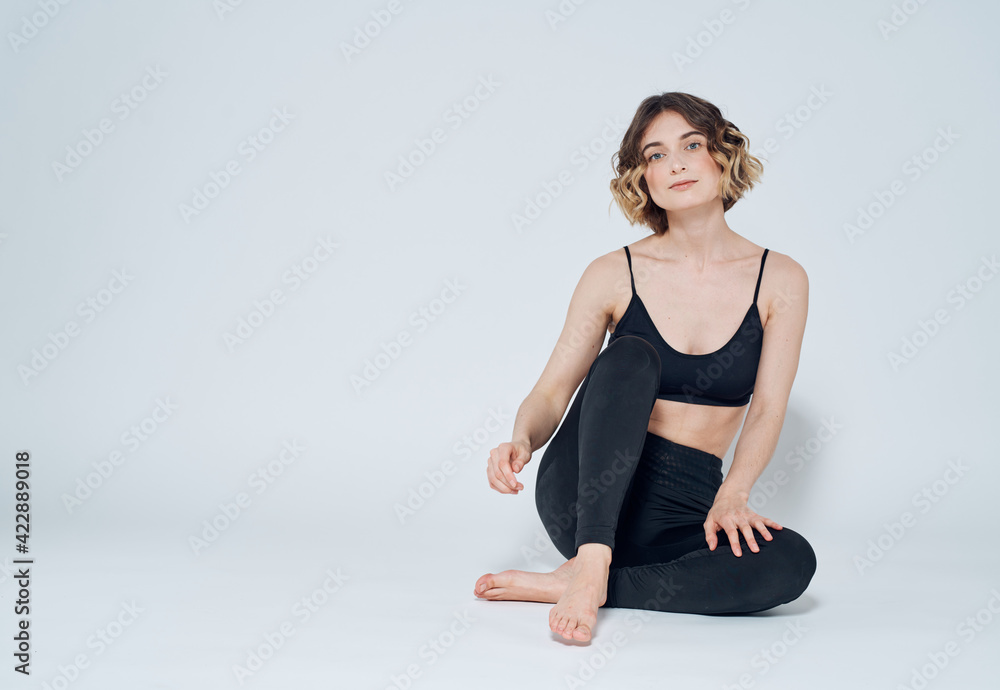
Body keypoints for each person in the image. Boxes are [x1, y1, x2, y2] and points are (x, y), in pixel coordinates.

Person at [473, 92, 817, 643]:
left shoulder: (781, 280)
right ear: (643, 178)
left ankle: (587, 580)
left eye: (692, 145)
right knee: (631, 354)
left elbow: (769, 407)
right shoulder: (613, 273)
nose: (676, 162)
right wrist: (520, 438)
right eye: (656, 154)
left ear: (721, 157)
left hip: (681, 514)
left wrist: (733, 494)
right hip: (583, 496)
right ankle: (590, 557)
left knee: (792, 563)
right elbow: (552, 392)